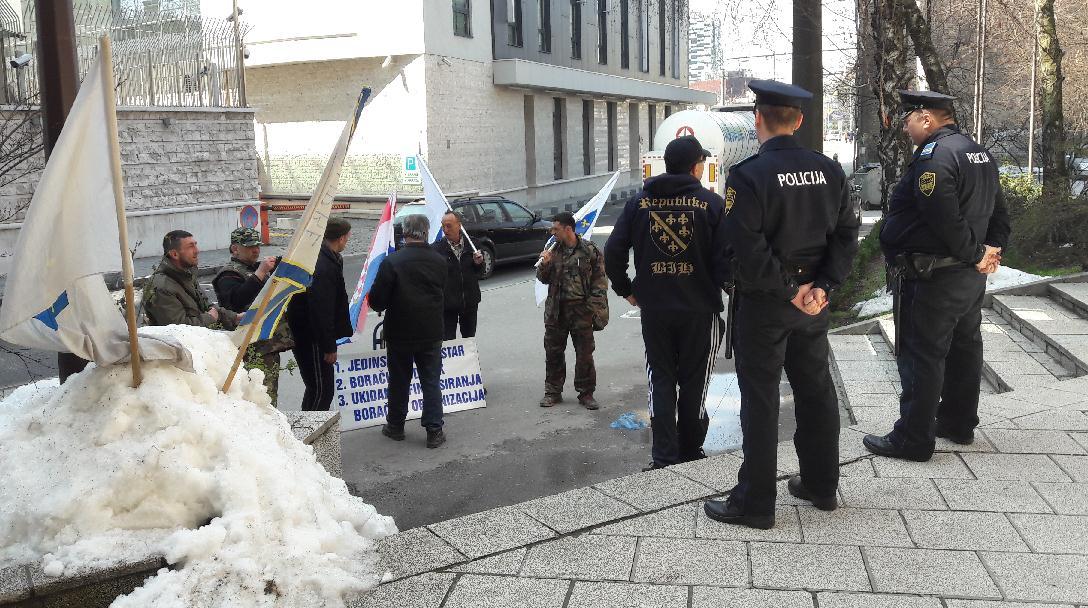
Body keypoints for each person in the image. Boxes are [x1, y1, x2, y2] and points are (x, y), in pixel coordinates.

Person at [703, 80, 860, 530]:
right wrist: (823, 287)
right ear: (801, 121)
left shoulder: (749, 176)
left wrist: (790, 289)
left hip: (768, 303)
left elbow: (748, 249)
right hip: (814, 303)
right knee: (815, 389)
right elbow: (847, 233)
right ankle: (821, 484)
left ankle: (756, 502)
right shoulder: (829, 170)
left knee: (760, 399)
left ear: (758, 120)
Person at [863, 90, 1010, 461]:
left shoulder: (934, 156)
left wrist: (978, 252)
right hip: (966, 276)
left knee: (921, 354)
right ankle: (959, 423)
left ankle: (913, 437)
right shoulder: (978, 152)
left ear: (926, 118)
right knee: (964, 348)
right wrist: (990, 250)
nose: (905, 128)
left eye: (908, 120)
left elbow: (943, 215)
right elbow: (999, 209)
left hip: (934, 276)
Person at [604, 135, 730, 471]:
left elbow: (613, 250)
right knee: (695, 381)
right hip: (699, 310)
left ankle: (664, 456)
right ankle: (690, 451)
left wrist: (625, 288)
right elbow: (726, 260)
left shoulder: (639, 203)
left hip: (655, 310)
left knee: (659, 379)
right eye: (701, 163)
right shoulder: (711, 204)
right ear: (695, 167)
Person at [369, 213, 449, 448]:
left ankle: (395, 426)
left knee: (399, 380)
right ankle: (434, 430)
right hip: (431, 330)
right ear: (425, 232)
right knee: (431, 381)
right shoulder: (439, 260)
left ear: (404, 234)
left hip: (400, 331)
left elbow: (378, 301)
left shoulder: (392, 262)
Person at [213, 227, 294, 406]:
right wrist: (260, 273)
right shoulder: (229, 274)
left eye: (257, 245)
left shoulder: (253, 268)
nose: (256, 250)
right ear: (235, 249)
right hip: (251, 348)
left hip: (266, 344)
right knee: (259, 398)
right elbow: (236, 301)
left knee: (269, 395)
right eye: (250, 247)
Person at [536, 211, 609, 410]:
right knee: (553, 352)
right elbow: (542, 278)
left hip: (581, 311)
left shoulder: (589, 250)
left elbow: (600, 282)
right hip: (556, 311)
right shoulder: (552, 249)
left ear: (568, 229)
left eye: (556, 229)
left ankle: (586, 393)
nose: (552, 233)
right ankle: (553, 392)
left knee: (584, 354)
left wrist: (593, 309)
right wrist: (545, 264)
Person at [285, 218, 353, 411]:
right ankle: (307, 435)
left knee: (318, 388)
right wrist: (329, 346)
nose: (347, 241)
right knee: (321, 390)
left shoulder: (324, 257)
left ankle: (305, 434)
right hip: (311, 337)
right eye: (347, 237)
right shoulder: (323, 265)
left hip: (309, 334)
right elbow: (321, 309)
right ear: (340, 238)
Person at [144, 230, 237, 329]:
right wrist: (210, 318)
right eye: (190, 246)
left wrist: (235, 317)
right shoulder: (162, 287)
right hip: (184, 343)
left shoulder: (187, 274)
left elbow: (207, 306)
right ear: (174, 254)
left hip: (204, 337)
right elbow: (178, 329)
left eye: (195, 245)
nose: (197, 251)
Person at [433, 210, 484, 340]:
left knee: (469, 340)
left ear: (459, 225)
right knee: (449, 343)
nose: (445, 229)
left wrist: (478, 263)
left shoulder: (473, 245)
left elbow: (481, 272)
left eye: (449, 226)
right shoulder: (437, 249)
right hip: (447, 306)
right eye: (443, 226)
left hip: (469, 303)